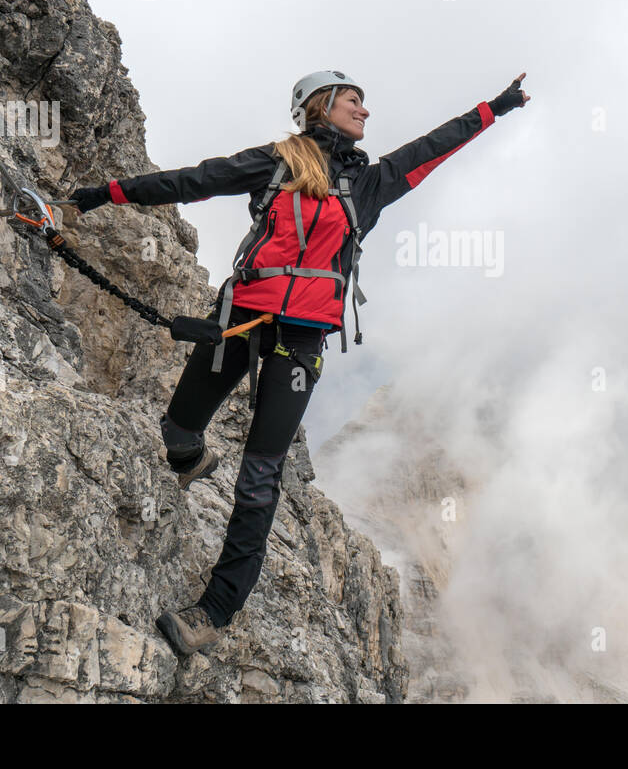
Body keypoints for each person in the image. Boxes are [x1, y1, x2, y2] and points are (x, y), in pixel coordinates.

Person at [62, 69, 530, 657]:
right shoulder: (278, 162)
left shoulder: (371, 182)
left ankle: (215, 610)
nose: (365, 111)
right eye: (354, 100)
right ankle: (189, 456)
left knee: (260, 475)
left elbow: (435, 146)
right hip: (240, 316)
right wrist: (108, 192)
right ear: (321, 106)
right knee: (176, 431)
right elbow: (196, 181)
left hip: (300, 343)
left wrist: (497, 108)